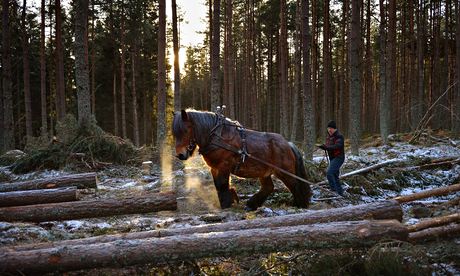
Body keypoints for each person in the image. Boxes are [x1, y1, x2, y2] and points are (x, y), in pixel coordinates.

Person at [317, 120, 345, 196]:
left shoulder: (339, 136)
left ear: (335, 129)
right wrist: (323, 147)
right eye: (328, 128)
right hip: (332, 158)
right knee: (335, 176)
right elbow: (328, 146)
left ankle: (333, 191)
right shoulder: (329, 137)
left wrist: (326, 147)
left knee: (329, 173)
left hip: (339, 158)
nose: (329, 130)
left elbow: (337, 146)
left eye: (331, 128)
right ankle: (340, 193)